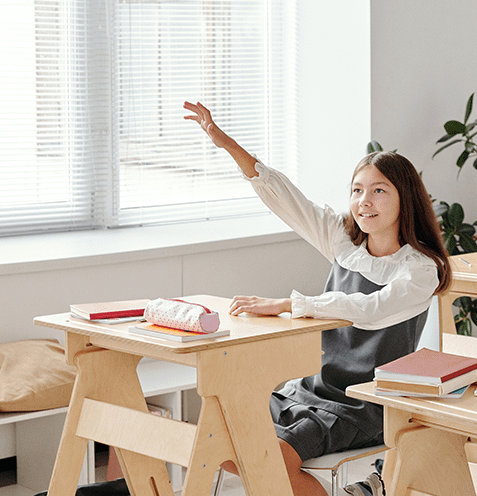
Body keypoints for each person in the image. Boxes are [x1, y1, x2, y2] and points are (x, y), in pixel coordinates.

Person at [183, 101, 450, 496]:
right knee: (217, 442)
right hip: (309, 389)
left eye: (379, 191)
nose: (365, 201)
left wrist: (292, 304)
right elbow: (287, 201)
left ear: (405, 197)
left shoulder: (419, 269)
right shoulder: (345, 244)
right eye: (357, 191)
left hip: (361, 404)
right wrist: (228, 145)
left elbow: (369, 313)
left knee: (269, 459)